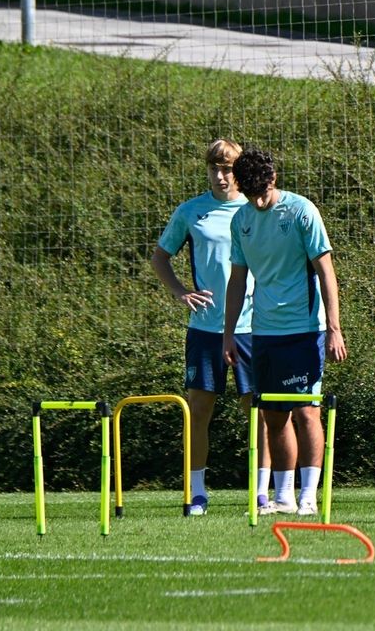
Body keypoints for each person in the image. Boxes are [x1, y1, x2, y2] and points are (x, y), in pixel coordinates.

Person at [223, 148, 347, 516]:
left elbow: (326, 272)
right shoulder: (241, 220)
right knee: (273, 415)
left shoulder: (300, 211)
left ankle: (309, 497)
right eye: (250, 193)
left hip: (304, 329)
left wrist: (334, 329)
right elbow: (237, 279)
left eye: (262, 192)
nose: (258, 201)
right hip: (262, 332)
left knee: (307, 411)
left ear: (273, 180)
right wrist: (229, 333)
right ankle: (284, 496)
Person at [151, 139, 267, 516]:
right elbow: (160, 258)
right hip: (205, 328)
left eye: (228, 168)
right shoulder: (190, 211)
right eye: (214, 168)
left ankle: (262, 490)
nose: (221, 176)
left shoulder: (256, 209)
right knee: (198, 409)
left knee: (260, 410)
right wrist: (181, 292)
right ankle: (196, 492)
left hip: (253, 326)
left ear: (240, 171)